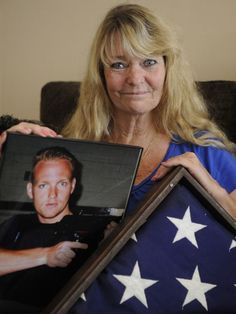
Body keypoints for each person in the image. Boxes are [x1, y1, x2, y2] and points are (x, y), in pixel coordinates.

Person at [0, 3, 236, 312]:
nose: (135, 78)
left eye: (149, 61)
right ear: (101, 74)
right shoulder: (67, 153)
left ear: (168, 69)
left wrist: (210, 189)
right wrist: (8, 153)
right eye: (119, 65)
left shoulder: (207, 155)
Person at [0, 146, 93, 308]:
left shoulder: (92, 229)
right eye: (43, 185)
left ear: (72, 186)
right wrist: (46, 255)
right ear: (30, 190)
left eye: (62, 184)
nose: (52, 194)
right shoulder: (16, 223)